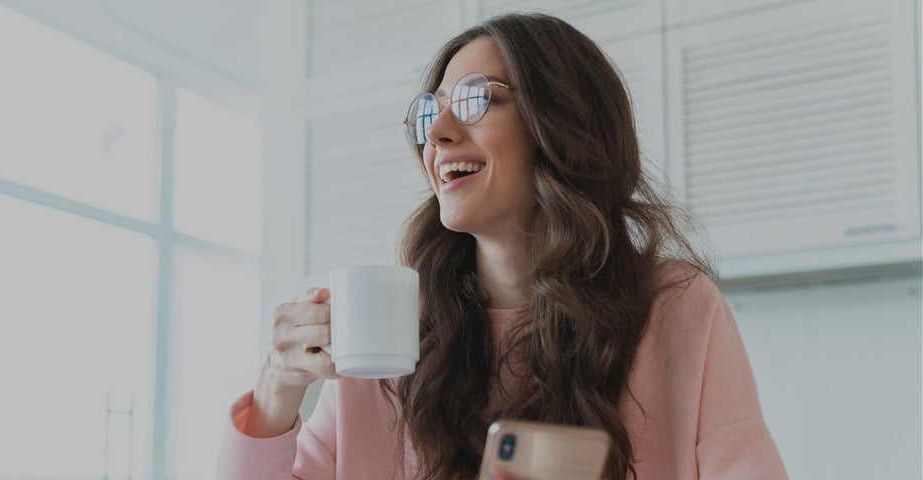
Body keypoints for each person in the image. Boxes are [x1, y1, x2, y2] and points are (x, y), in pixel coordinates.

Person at [218, 12, 788, 480]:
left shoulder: (676, 308)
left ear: (560, 123)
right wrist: (277, 390)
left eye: (473, 100)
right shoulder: (391, 334)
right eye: (429, 111)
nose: (437, 133)